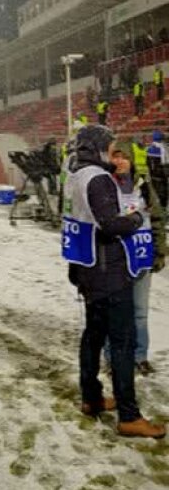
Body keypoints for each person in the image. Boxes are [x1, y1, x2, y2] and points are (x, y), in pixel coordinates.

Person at [64, 125, 165, 437]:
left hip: (87, 266)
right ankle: (129, 416)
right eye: (109, 148)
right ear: (98, 147)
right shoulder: (98, 178)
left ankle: (91, 397)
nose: (112, 153)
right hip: (108, 271)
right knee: (122, 342)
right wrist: (136, 218)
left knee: (93, 335)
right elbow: (110, 225)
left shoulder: (74, 175)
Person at [104, 142, 163, 376]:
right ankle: (112, 358)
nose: (119, 161)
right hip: (115, 260)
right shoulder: (103, 186)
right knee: (114, 312)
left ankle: (140, 356)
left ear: (131, 160)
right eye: (115, 156)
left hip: (141, 257)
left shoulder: (144, 187)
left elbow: (157, 219)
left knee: (139, 312)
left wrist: (160, 252)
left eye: (124, 157)